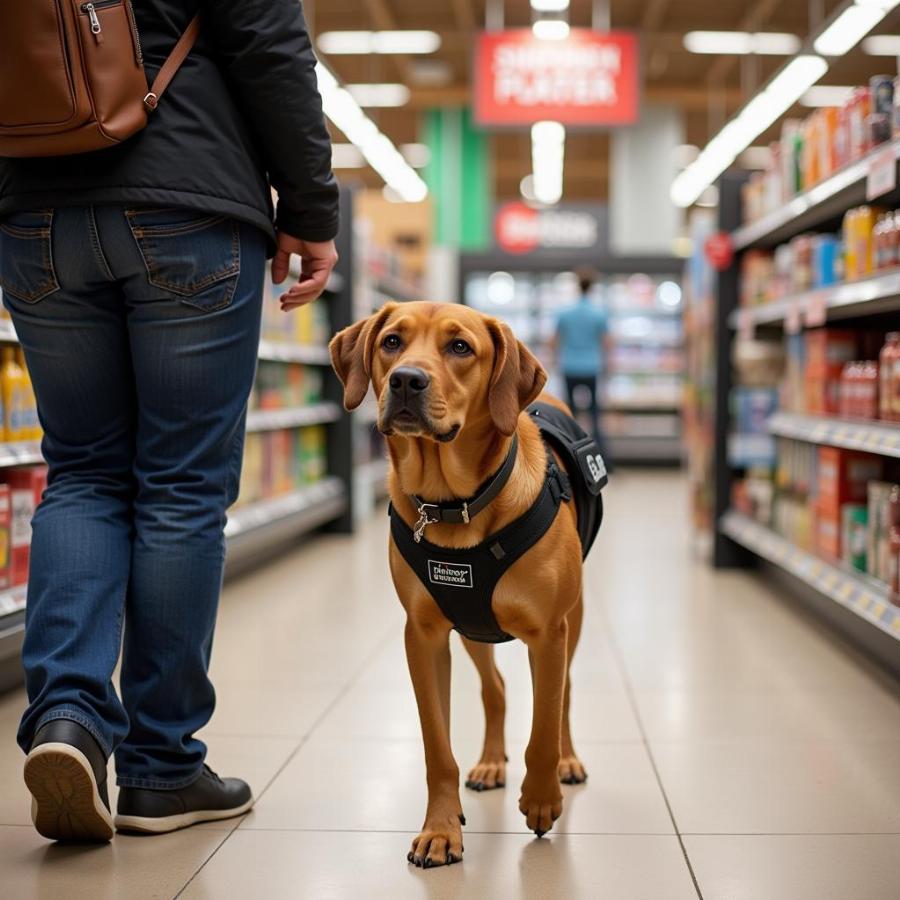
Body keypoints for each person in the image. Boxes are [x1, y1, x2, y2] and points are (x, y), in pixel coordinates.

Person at [0, 1, 338, 841]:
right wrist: (311, 209)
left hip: (34, 208)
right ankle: (162, 768)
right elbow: (266, 40)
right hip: (186, 194)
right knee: (182, 490)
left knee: (80, 472)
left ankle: (68, 720)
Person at [552, 268, 610, 464]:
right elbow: (607, 342)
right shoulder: (599, 314)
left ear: (577, 286)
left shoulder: (565, 313)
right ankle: (601, 460)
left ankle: (569, 458)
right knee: (594, 415)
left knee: (570, 415)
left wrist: (555, 360)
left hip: (569, 366)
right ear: (592, 287)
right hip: (592, 367)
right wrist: (608, 366)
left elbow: (554, 341)